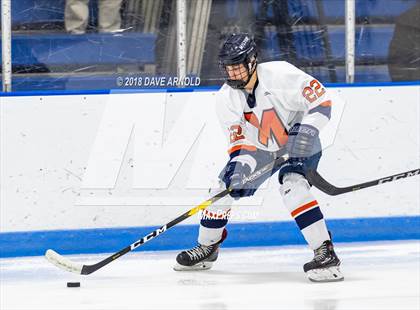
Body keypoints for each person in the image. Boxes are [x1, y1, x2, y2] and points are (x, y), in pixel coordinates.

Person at [173, 33, 343, 283]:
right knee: (223, 187)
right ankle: (207, 248)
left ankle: (325, 253)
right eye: (228, 68)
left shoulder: (281, 75)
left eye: (237, 67)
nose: (232, 74)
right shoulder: (225, 98)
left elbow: (321, 102)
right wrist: (239, 168)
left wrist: (306, 131)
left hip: (301, 139)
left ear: (252, 61)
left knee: (292, 184)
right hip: (263, 149)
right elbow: (240, 142)